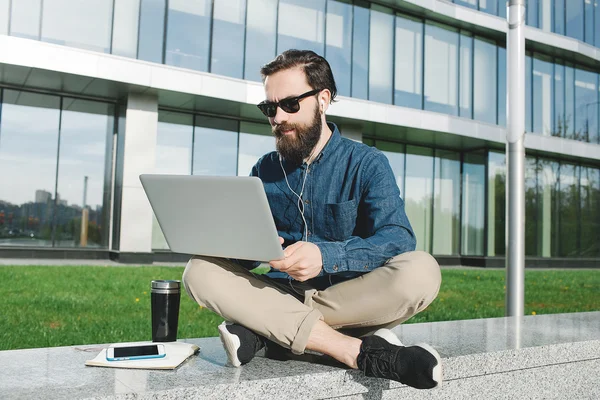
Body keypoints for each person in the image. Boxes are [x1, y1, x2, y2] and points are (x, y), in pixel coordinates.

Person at [183, 49, 442, 390]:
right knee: (198, 271)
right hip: (280, 290)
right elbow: (245, 257)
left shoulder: (367, 163)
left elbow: (397, 236)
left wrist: (326, 256)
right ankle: (356, 350)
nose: (277, 117)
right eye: (269, 108)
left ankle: (267, 332)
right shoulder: (264, 169)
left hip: (348, 295)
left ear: (323, 99)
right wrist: (240, 243)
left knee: (422, 272)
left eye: (290, 104)